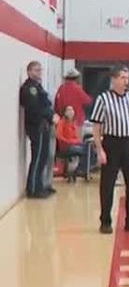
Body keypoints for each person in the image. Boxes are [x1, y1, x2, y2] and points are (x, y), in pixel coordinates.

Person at [90, 66, 129, 233]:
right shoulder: (103, 99)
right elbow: (97, 126)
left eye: (127, 78)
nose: (125, 81)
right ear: (113, 79)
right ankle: (105, 221)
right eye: (122, 77)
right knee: (107, 184)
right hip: (111, 143)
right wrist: (100, 149)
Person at [19, 61, 57, 198]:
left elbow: (45, 103)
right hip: (36, 126)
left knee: (43, 157)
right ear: (29, 72)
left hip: (44, 126)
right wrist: (50, 115)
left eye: (40, 70)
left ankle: (40, 186)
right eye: (36, 70)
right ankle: (33, 189)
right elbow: (35, 108)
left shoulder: (38, 87)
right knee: (37, 157)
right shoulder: (29, 88)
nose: (39, 72)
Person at [56, 105, 91, 180]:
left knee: (91, 149)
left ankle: (82, 169)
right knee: (86, 151)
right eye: (68, 110)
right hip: (66, 147)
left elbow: (75, 137)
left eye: (72, 110)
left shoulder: (73, 123)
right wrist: (70, 142)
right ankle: (80, 170)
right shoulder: (61, 122)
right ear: (65, 112)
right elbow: (59, 136)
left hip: (74, 144)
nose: (71, 112)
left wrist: (77, 142)